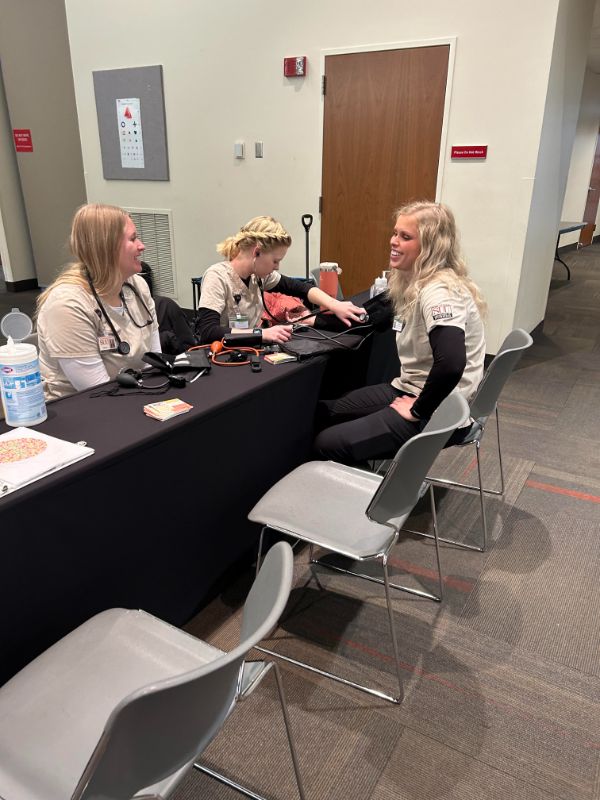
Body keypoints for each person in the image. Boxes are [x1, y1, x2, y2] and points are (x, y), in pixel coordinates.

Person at [314, 200, 486, 465]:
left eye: (405, 237)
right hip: (410, 388)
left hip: (438, 411)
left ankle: (374, 490)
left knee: (327, 444)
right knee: (325, 413)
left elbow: (451, 363)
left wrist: (418, 409)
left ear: (430, 247)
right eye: (395, 233)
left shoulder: (439, 291)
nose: (393, 241)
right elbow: (371, 316)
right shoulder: (414, 282)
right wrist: (311, 320)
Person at [37, 203, 160, 400]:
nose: (141, 246)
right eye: (133, 239)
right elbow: (99, 392)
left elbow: (154, 364)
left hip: (133, 395)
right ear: (107, 247)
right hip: (78, 407)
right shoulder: (67, 305)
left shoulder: (137, 286)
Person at [195, 215, 365, 344]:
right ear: (257, 252)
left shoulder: (258, 276)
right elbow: (208, 332)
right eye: (275, 261)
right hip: (222, 353)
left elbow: (301, 288)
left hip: (249, 348)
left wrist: (334, 305)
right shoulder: (217, 277)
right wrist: (261, 334)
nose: (277, 267)